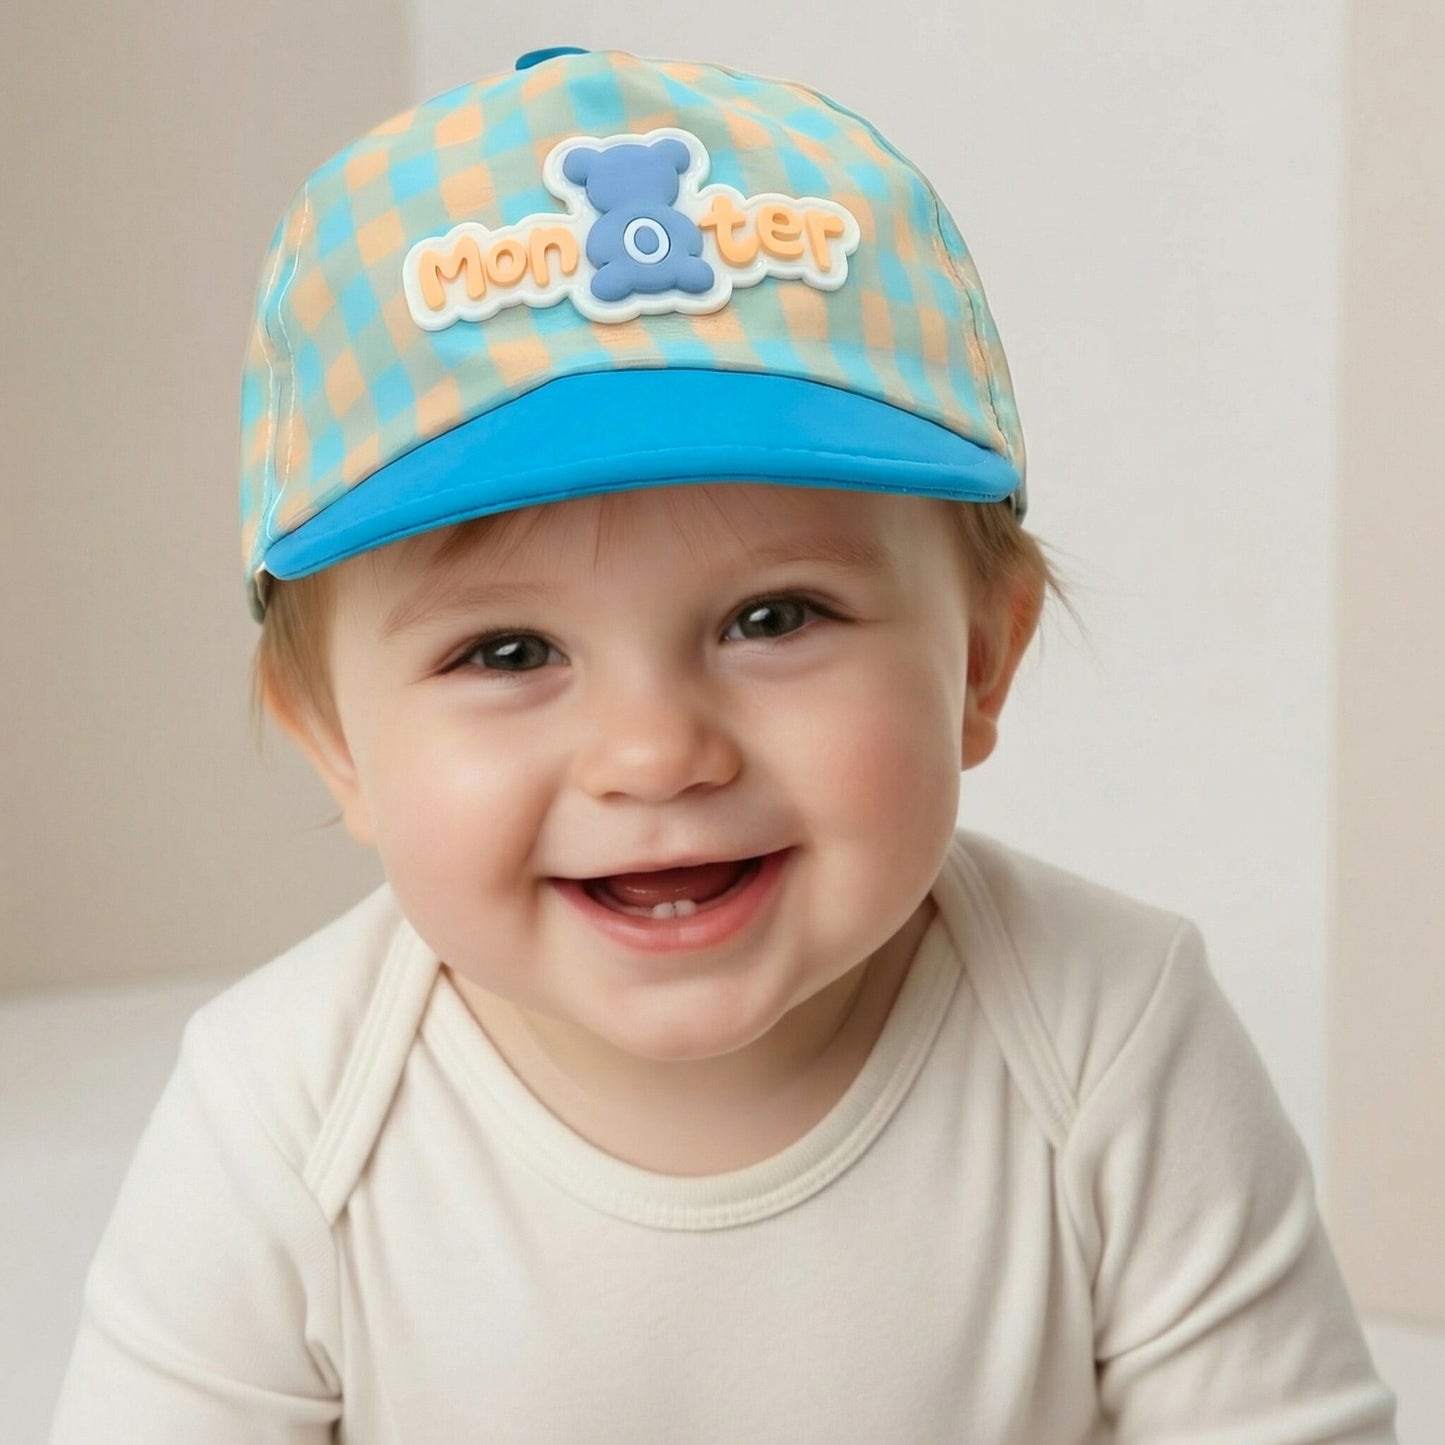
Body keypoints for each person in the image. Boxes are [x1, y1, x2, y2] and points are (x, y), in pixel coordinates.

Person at [50, 46, 1398, 1443]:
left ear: (980, 661)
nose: (653, 751)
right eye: (507, 651)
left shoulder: (1108, 1035)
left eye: (773, 615)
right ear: (335, 744)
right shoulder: (283, 1110)